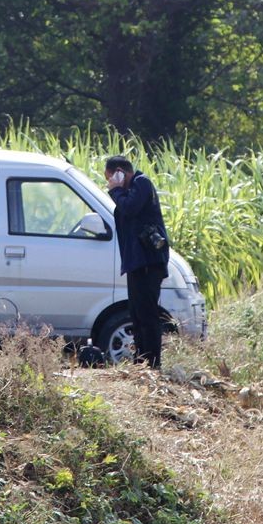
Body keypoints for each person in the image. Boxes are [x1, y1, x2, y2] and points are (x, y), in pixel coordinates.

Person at [104, 155, 169, 369]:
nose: (110, 183)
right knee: (137, 314)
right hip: (136, 264)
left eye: (111, 178)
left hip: (149, 263)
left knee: (148, 315)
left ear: (120, 172)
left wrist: (115, 190)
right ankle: (140, 361)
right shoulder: (128, 192)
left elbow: (130, 208)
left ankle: (152, 363)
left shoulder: (142, 183)